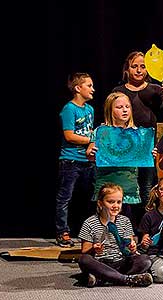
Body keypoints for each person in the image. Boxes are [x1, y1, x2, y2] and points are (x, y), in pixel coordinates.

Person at [112, 51, 163, 219]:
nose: (138, 70)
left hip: (147, 147)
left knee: (146, 186)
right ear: (127, 69)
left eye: (143, 66)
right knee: (126, 185)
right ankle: (124, 225)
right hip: (125, 146)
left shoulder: (155, 90)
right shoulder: (118, 90)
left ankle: (144, 226)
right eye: (134, 66)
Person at [77, 183, 153, 288]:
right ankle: (125, 279)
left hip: (119, 262)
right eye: (111, 202)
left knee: (145, 260)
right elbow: (85, 250)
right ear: (100, 203)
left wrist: (132, 247)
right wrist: (94, 249)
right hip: (100, 263)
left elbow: (129, 247)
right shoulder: (90, 222)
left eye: (119, 202)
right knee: (84, 259)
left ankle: (103, 279)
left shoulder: (125, 221)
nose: (115, 206)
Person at [86, 92, 143, 231]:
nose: (124, 110)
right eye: (119, 107)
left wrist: (149, 153)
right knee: (104, 223)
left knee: (125, 224)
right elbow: (90, 153)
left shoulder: (136, 133)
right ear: (110, 110)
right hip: (107, 185)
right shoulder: (101, 131)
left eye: (127, 107)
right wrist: (91, 153)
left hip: (128, 187)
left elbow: (141, 155)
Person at [55, 72, 96, 247]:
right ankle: (62, 231)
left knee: (90, 197)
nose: (93, 89)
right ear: (78, 88)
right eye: (89, 85)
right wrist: (92, 140)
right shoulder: (69, 109)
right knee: (65, 197)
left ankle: (89, 231)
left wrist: (92, 142)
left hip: (88, 161)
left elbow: (91, 132)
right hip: (71, 160)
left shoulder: (90, 109)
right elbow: (70, 136)